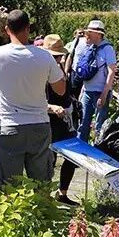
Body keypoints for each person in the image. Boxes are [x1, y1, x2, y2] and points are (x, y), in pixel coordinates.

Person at [0, 9, 65, 187]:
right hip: (38, 123)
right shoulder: (45, 56)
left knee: (9, 185)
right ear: (28, 28)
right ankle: (41, 205)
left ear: (7, 29)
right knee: (41, 183)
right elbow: (61, 89)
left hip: (10, 124)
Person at [41, 34, 79, 206]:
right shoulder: (40, 71)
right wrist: (51, 107)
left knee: (72, 157)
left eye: (59, 56)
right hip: (48, 119)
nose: (58, 59)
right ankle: (45, 196)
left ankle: (63, 193)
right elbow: (36, 99)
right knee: (49, 160)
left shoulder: (60, 68)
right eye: (55, 56)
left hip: (65, 119)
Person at [76, 20, 117, 143]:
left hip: (100, 92)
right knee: (83, 123)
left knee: (100, 126)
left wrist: (104, 94)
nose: (87, 35)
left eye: (90, 32)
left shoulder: (108, 49)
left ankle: (98, 149)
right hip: (87, 91)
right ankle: (81, 150)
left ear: (99, 34)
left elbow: (111, 72)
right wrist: (82, 91)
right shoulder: (90, 47)